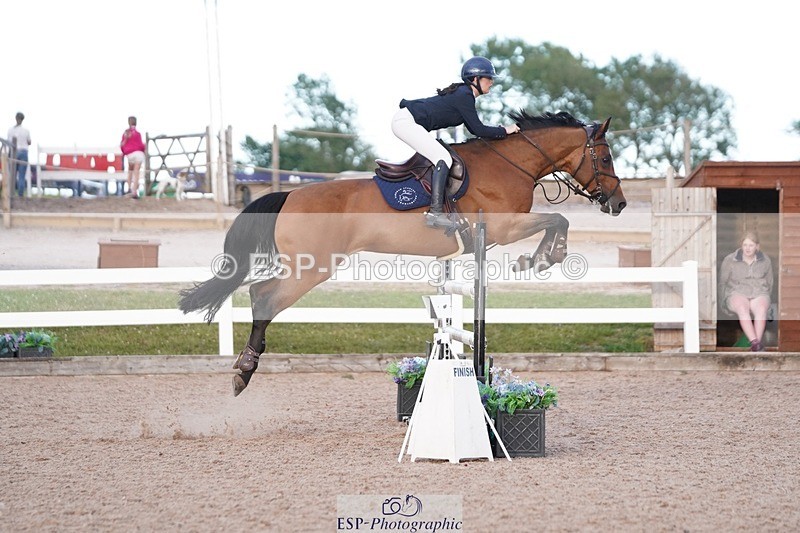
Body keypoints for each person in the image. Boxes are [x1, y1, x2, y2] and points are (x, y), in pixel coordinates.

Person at [391, 56, 520, 228]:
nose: (491, 82)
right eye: (488, 78)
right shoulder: (464, 95)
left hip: (407, 121)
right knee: (443, 157)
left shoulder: (464, 94)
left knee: (443, 155)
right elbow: (478, 130)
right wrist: (505, 130)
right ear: (475, 79)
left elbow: (476, 129)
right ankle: (435, 213)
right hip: (405, 122)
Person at [719, 231, 774, 351]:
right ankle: (756, 343)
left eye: (751, 245)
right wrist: (722, 303)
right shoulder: (730, 260)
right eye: (745, 245)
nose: (747, 248)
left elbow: (770, 282)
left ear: (757, 247)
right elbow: (722, 282)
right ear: (741, 245)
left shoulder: (765, 260)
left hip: (759, 292)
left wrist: (765, 298)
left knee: (761, 309)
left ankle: (755, 345)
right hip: (737, 292)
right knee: (742, 309)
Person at [120, 115, 146, 199]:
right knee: (136, 172)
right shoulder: (138, 134)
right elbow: (141, 145)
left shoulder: (126, 133)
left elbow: (122, 145)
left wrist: (124, 152)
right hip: (138, 154)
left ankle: (128, 189)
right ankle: (135, 192)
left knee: (130, 171)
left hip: (130, 154)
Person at [7, 112, 31, 197]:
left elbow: (9, 143)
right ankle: (20, 195)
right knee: (21, 175)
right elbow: (29, 142)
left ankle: (11, 193)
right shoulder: (26, 131)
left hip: (14, 153)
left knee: (12, 174)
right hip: (23, 152)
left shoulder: (11, 130)